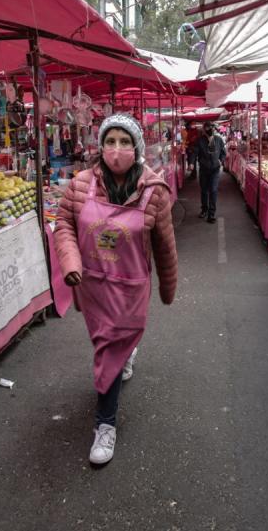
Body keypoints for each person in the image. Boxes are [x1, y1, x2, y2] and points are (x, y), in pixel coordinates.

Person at [54, 114, 178, 466]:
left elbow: (165, 246)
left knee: (110, 351)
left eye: (125, 142)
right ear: (101, 146)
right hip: (92, 286)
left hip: (130, 289)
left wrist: (168, 288)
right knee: (107, 344)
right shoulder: (80, 185)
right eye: (111, 141)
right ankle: (124, 358)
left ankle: (104, 424)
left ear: (137, 147)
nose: (117, 149)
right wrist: (71, 264)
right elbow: (63, 223)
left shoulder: (154, 192)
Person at [197, 121, 226, 222]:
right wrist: (192, 163)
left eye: (211, 128)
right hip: (204, 169)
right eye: (207, 128)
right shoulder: (200, 140)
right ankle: (204, 209)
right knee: (204, 191)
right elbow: (195, 152)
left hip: (215, 169)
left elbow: (223, 152)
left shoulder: (218, 139)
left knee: (213, 190)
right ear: (204, 130)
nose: (210, 130)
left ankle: (211, 214)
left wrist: (221, 160)